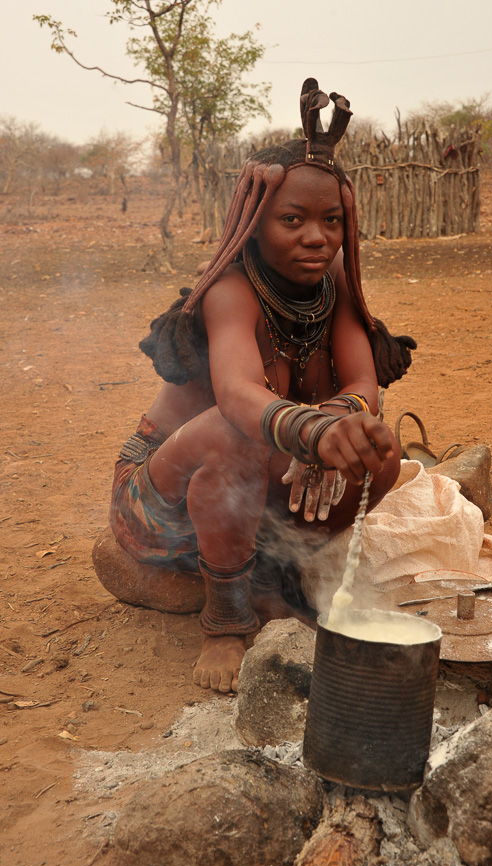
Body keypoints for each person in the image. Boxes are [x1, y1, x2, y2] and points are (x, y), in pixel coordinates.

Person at [108, 78, 416, 693]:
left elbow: (362, 384)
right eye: (292, 219)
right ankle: (224, 619)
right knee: (235, 432)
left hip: (257, 477)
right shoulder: (230, 287)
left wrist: (338, 432)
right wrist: (313, 431)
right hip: (161, 506)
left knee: (378, 452)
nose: (316, 236)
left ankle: (280, 573)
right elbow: (238, 395)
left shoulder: (337, 283)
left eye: (331, 220)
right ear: (254, 222)